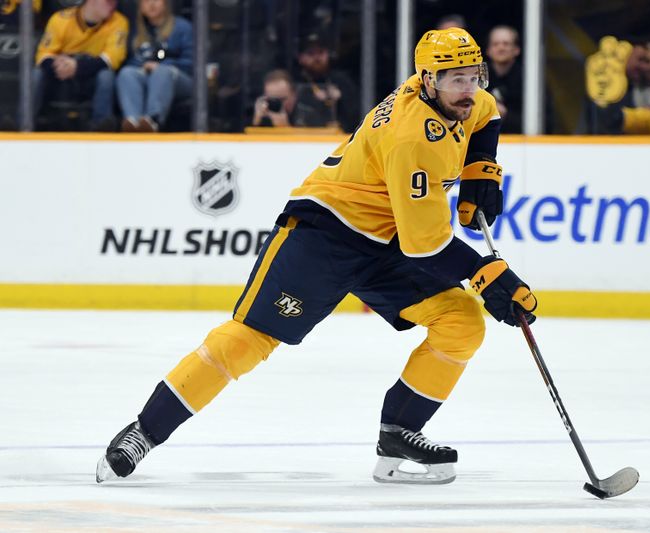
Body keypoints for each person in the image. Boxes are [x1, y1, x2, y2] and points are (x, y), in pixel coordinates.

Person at [96, 27, 536, 486]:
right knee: (249, 340)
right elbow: (424, 245)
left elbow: (486, 118)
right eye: (454, 81)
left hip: (385, 238)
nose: (467, 91)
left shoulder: (465, 100)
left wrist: (481, 170)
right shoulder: (412, 139)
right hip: (325, 233)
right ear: (426, 80)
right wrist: (488, 275)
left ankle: (399, 434)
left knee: (462, 322)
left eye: (473, 77)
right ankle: (144, 432)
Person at [33, 0, 129, 131]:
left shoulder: (119, 21)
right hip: (60, 76)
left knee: (106, 76)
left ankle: (101, 126)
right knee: (36, 74)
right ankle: (23, 124)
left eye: (114, 2)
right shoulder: (60, 19)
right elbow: (43, 55)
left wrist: (77, 67)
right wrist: (59, 67)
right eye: (108, 2)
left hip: (91, 75)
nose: (113, 5)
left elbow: (113, 58)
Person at [116, 0, 192, 133]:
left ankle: (153, 121)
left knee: (162, 72)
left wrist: (162, 66)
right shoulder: (135, 30)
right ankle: (134, 122)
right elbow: (130, 61)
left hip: (181, 80)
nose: (151, 4)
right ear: (140, 6)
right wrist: (144, 67)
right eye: (145, 1)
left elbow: (191, 63)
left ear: (165, 3)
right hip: (147, 76)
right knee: (127, 73)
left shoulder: (182, 27)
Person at [294, 33, 360, 132]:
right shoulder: (295, 81)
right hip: (303, 137)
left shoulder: (341, 80)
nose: (317, 58)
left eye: (321, 52)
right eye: (311, 53)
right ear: (301, 58)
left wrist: (341, 99)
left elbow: (357, 114)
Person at [485, 25, 522, 133]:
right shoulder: (476, 77)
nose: (501, 48)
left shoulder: (529, 80)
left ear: (516, 49)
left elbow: (543, 121)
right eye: (495, 44)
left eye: (506, 44)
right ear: (488, 50)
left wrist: (506, 115)